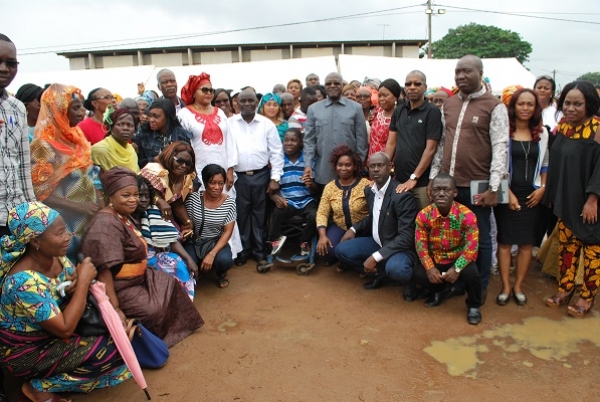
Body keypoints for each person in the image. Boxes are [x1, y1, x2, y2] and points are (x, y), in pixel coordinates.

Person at [0, 201, 131, 401]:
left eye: (65, 230)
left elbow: (71, 288)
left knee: (122, 336)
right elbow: (64, 328)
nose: (68, 236)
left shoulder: (56, 258)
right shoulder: (23, 281)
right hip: (27, 352)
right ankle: (39, 387)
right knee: (111, 349)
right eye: (59, 233)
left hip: (53, 330)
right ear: (35, 241)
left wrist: (77, 283)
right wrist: (83, 282)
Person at [81, 167, 204, 346]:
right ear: (111, 197)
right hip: (120, 286)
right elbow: (104, 271)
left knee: (169, 283)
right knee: (152, 309)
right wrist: (114, 308)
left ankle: (169, 332)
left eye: (136, 194)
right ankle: (148, 342)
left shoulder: (122, 216)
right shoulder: (105, 223)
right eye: (126, 195)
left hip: (138, 276)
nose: (133, 200)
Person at [429, 55, 509, 300]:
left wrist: (494, 187)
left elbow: (500, 147)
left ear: (480, 73)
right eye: (457, 72)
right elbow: (441, 144)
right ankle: (458, 282)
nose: (461, 76)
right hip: (448, 185)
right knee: (451, 234)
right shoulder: (449, 104)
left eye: (467, 71)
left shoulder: (494, 105)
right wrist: (434, 177)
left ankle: (480, 285)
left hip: (478, 185)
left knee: (480, 237)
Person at [0, 34, 38, 401]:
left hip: (13, 221)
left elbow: (24, 168)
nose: (4, 68)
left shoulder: (15, 108)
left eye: (10, 63)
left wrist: (30, 217)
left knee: (12, 296)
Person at [544, 80, 600, 317]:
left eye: (578, 104)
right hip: (566, 199)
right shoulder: (563, 128)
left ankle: (587, 297)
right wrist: (552, 195)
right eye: (567, 102)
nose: (571, 108)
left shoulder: (597, 129)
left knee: (591, 252)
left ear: (589, 105)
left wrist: (593, 200)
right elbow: (557, 164)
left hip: (590, 204)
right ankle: (565, 288)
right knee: (567, 249)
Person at [30, 83, 102, 262]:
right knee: (66, 267)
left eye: (82, 107)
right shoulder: (44, 146)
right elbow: (38, 193)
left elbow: (92, 176)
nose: (83, 111)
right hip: (63, 223)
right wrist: (78, 207)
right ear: (59, 111)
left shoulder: (77, 137)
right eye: (75, 108)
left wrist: (100, 205)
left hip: (88, 219)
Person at [494, 88, 548, 306]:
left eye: (530, 104)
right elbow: (496, 165)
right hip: (507, 190)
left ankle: (518, 286)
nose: (525, 108)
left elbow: (546, 164)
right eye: (521, 104)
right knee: (505, 241)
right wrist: (509, 194)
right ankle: (506, 286)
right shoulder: (504, 132)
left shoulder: (543, 134)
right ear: (513, 106)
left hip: (533, 194)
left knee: (526, 243)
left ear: (535, 108)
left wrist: (543, 188)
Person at [336, 152, 417, 290]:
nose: (376, 169)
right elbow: (374, 217)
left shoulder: (402, 196)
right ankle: (380, 275)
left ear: (390, 167)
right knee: (341, 250)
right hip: (377, 241)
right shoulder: (370, 190)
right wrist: (353, 229)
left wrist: (375, 257)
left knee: (397, 269)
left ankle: (411, 285)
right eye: (372, 166)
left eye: (380, 165)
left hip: (398, 247)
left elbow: (406, 237)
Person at [413, 174, 482, 324]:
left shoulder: (467, 215)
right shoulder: (424, 216)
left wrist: (457, 268)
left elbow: (472, 246)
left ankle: (474, 306)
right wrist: (430, 268)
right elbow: (421, 245)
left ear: (455, 193)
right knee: (419, 273)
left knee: (473, 274)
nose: (441, 193)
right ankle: (441, 291)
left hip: (459, 260)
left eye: (446, 189)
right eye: (437, 189)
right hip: (437, 259)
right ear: (430, 192)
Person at [230, 89, 284, 265]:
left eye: (250, 101)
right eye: (243, 101)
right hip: (238, 178)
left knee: (260, 216)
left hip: (262, 175)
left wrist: (275, 178)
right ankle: (244, 251)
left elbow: (276, 152)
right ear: (237, 103)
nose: (247, 104)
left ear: (256, 103)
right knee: (242, 215)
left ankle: (259, 251)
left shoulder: (266, 124)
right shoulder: (229, 124)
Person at [132, 176, 198, 300]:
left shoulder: (152, 212)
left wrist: (189, 259)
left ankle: (183, 303)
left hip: (156, 258)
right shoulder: (124, 219)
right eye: (140, 195)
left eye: (147, 196)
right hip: (136, 263)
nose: (144, 200)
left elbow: (171, 240)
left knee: (179, 264)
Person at [385, 70, 442, 211]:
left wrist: (414, 178)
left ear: (425, 87)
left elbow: (431, 149)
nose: (412, 87)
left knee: (424, 221)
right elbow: (391, 143)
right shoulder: (399, 110)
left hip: (421, 183)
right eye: (408, 84)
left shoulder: (432, 112)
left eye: (417, 84)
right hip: (398, 180)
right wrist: (384, 169)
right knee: (402, 222)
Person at [304, 72, 368, 189]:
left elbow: (362, 142)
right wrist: (308, 165)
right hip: (323, 172)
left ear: (342, 86)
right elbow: (309, 141)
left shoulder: (356, 108)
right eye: (328, 83)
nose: (332, 86)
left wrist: (358, 168)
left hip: (350, 174)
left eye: (336, 83)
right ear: (324, 87)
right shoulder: (313, 109)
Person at [184, 164, 236, 288]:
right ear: (205, 182)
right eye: (212, 183)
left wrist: (212, 254)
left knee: (225, 261)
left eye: (220, 183)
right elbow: (185, 221)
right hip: (194, 241)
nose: (217, 187)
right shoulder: (193, 199)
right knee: (185, 262)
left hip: (214, 241)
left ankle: (220, 273)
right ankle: (197, 269)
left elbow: (227, 232)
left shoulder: (229, 203)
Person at [316, 145, 369, 265]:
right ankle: (342, 258)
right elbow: (322, 212)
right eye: (340, 165)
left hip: (363, 229)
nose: (343, 168)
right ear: (335, 166)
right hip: (340, 227)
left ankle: (353, 261)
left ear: (355, 166)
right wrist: (322, 236)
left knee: (352, 251)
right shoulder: (330, 187)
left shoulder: (366, 185)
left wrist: (355, 229)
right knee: (327, 250)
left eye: (348, 165)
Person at [268, 128, 316, 257]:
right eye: (286, 140)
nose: (289, 143)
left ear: (300, 143)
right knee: (277, 213)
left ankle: (304, 241)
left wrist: (310, 184)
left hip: (307, 200)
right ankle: (275, 240)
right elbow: (271, 189)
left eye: (294, 140)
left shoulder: (308, 161)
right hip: (288, 201)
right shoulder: (278, 161)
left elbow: (316, 189)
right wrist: (276, 198)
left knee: (315, 216)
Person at [140, 141, 196, 239]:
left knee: (179, 236)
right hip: (144, 214)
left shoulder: (185, 178)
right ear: (170, 157)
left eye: (188, 163)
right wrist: (158, 200)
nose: (184, 166)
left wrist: (187, 221)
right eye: (179, 160)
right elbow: (142, 192)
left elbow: (177, 203)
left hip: (163, 216)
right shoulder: (155, 171)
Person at [134, 98, 191, 169]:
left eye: (156, 116)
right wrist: (155, 160)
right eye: (150, 116)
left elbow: (189, 162)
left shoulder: (181, 135)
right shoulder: (144, 134)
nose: (151, 120)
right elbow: (138, 163)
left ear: (168, 117)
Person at [91, 106, 140, 173]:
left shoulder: (131, 150)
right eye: (120, 124)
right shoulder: (100, 150)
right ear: (111, 127)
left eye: (129, 125)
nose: (125, 128)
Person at [368, 78, 401, 160]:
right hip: (371, 158)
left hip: (386, 161)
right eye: (379, 96)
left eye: (385, 95)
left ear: (395, 97)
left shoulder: (399, 116)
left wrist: (385, 164)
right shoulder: (378, 111)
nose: (381, 99)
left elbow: (392, 144)